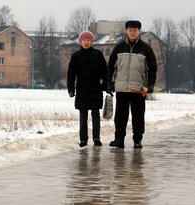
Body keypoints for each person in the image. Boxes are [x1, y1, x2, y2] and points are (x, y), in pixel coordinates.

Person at [107, 20, 157, 149]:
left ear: (139, 31)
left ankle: (137, 140)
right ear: (126, 31)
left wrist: (150, 84)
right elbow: (111, 67)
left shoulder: (146, 49)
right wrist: (109, 83)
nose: (132, 32)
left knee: (138, 117)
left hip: (138, 89)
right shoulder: (119, 47)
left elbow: (153, 68)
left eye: (135, 30)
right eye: (130, 30)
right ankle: (119, 140)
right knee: (120, 117)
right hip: (121, 88)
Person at [67, 30, 108, 147]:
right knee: (83, 116)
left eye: (88, 40)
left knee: (96, 115)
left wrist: (104, 84)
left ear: (91, 41)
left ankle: (96, 138)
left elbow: (104, 71)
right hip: (82, 90)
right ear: (80, 42)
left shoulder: (98, 54)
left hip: (96, 90)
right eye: (84, 40)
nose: (86, 42)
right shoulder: (76, 56)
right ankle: (83, 140)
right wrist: (71, 89)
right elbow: (71, 74)